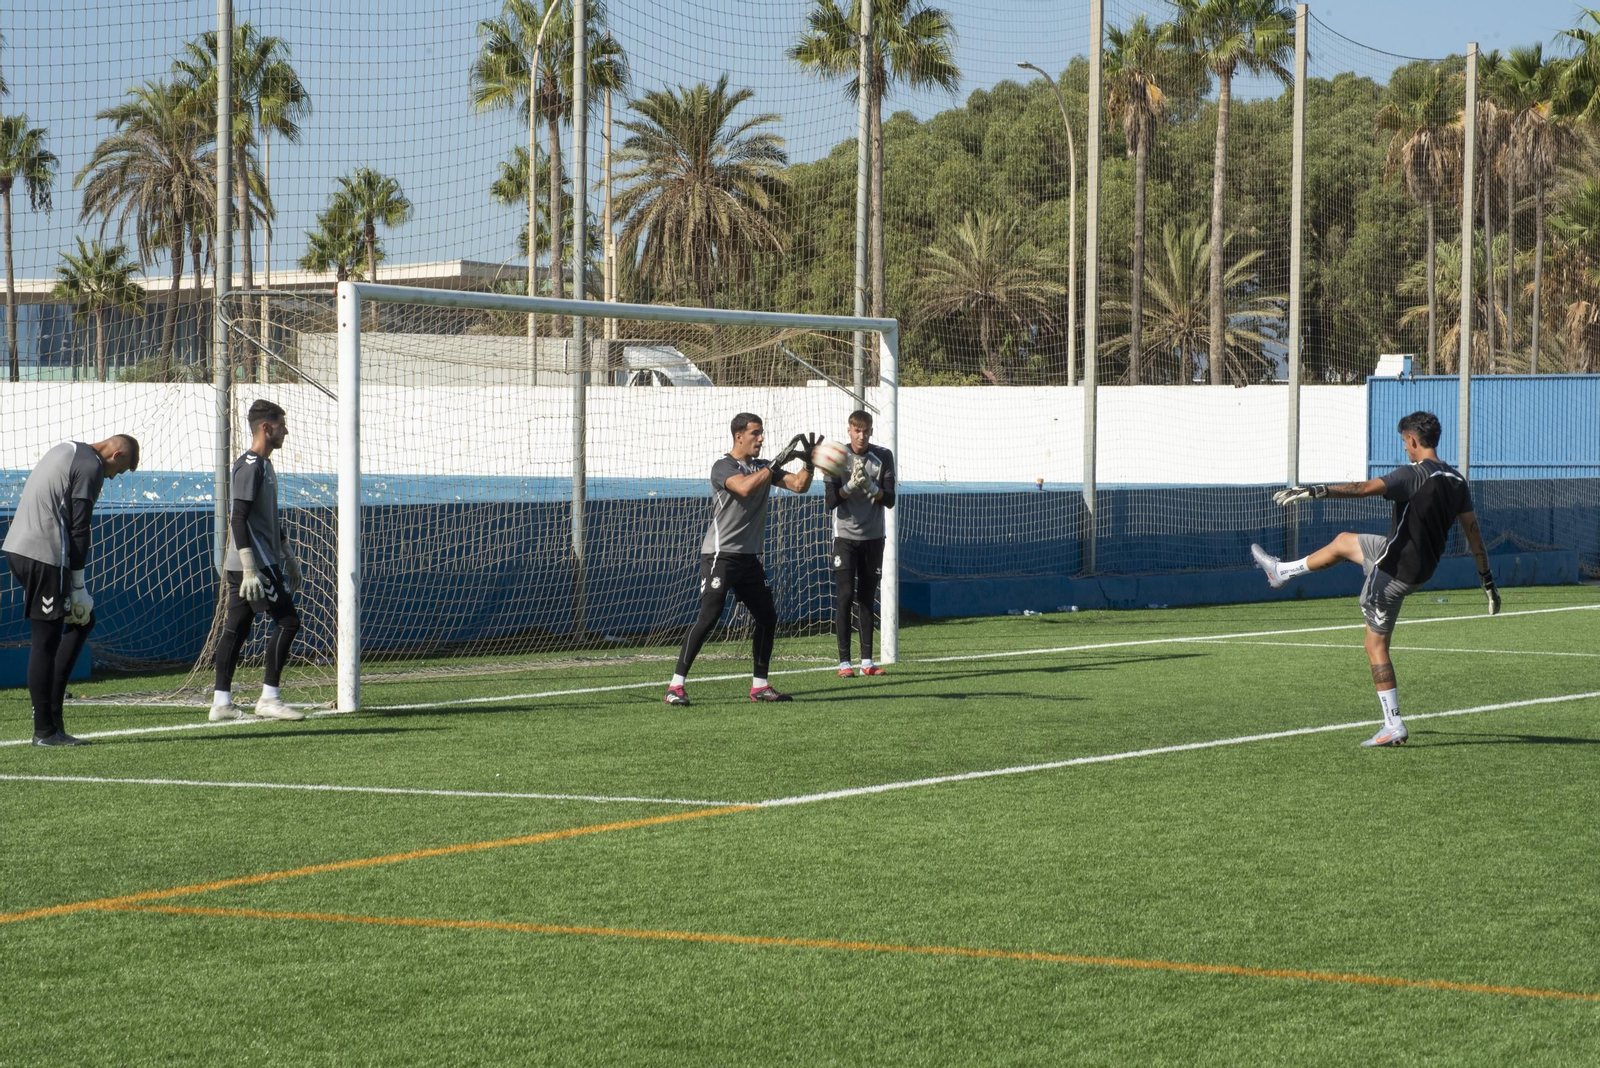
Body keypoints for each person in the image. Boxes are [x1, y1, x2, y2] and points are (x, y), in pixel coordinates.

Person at [1250, 411, 1499, 747]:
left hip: (1394, 571)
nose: (1405, 449)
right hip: (1414, 562)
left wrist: (1316, 491)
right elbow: (1474, 535)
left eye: (1404, 442)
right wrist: (1487, 582)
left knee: (1375, 645)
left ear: (1413, 440)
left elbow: (1362, 488)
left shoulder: (1414, 473)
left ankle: (1393, 724)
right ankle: (1281, 572)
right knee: (1343, 542)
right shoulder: (1456, 480)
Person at [664, 414, 818, 706]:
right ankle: (675, 686)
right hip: (720, 556)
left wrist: (809, 464)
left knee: (767, 618)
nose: (761, 438)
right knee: (709, 616)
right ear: (739, 436)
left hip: (749, 559)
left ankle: (760, 686)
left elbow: (800, 485)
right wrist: (774, 465)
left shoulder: (763, 467)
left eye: (762, 433)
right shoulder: (723, 466)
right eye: (755, 433)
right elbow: (745, 487)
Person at [4, 435, 140, 746]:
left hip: (20, 548)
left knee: (81, 622)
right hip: (43, 554)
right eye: (119, 470)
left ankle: (54, 719)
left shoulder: (68, 449)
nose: (114, 477)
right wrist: (78, 585)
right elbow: (80, 528)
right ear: (117, 453)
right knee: (46, 640)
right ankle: (45, 731)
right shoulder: (91, 466)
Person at [210, 400, 306, 722]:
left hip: (254, 563)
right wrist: (251, 568)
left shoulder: (265, 465)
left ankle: (221, 704)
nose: (286, 431)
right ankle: (269, 698)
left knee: (236, 630)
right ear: (266, 427)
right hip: (255, 565)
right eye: (281, 424)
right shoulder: (250, 466)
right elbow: (238, 518)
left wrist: (289, 556)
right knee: (288, 622)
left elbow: (268, 519)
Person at [823, 409, 896, 677]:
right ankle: (844, 663)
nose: (861, 436)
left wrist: (872, 488)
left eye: (866, 431)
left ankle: (867, 662)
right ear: (849, 431)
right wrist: (851, 486)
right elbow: (831, 501)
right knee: (845, 597)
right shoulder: (836, 457)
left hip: (873, 538)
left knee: (866, 598)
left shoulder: (883, 456)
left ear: (871, 432)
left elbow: (890, 500)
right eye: (857, 431)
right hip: (845, 538)